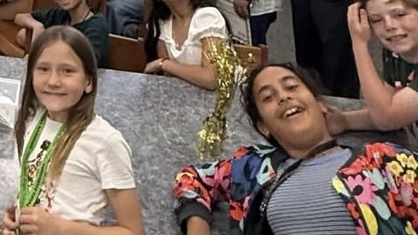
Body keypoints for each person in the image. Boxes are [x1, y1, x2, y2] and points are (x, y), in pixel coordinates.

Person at [174, 63, 418, 234]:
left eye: (291, 87)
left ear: (321, 104)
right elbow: (192, 178)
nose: (283, 97)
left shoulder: (385, 161)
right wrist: (198, 228)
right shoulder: (252, 167)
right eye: (268, 97)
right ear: (264, 127)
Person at [2, 26, 143, 235]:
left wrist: (60, 228)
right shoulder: (33, 119)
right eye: (43, 69)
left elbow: (133, 231)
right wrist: (18, 214)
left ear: (88, 81)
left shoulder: (105, 142)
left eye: (67, 71)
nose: (53, 81)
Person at [325, 0, 418, 148]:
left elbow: (387, 117)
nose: (389, 25)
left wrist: (359, 43)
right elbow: (385, 107)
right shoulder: (395, 52)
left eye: (400, 14)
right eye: (376, 20)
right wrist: (345, 121)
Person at [143, 0, 230, 90]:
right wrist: (166, 66)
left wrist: (164, 64)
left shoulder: (208, 17)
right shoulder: (161, 22)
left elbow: (213, 78)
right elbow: (169, 77)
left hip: (219, 98)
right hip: (182, 94)